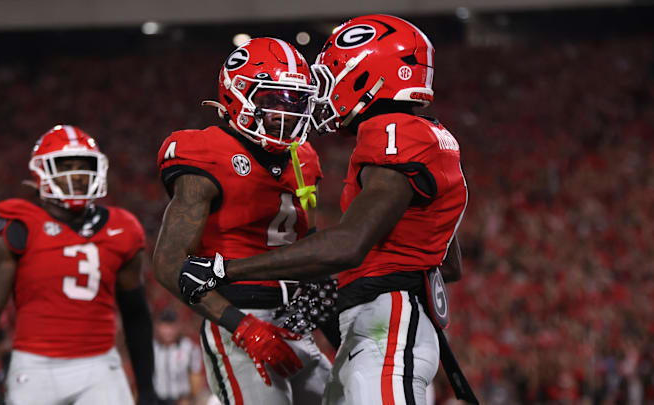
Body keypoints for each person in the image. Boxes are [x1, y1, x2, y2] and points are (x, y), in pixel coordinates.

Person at [177, 15, 472, 405]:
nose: (323, 92)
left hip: (386, 327)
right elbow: (446, 262)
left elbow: (349, 245)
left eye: (332, 75)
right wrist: (341, 287)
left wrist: (226, 269)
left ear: (366, 75)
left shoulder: (394, 132)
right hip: (384, 323)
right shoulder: (424, 134)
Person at [153, 37, 331, 405]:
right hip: (238, 315)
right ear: (237, 95)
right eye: (272, 100)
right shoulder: (204, 153)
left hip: (295, 318)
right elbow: (169, 264)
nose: (286, 113)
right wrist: (241, 325)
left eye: (295, 101)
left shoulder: (305, 158)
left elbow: (307, 245)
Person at [0, 125, 157, 405]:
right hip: (34, 367)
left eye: (84, 166)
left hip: (100, 366)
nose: (78, 176)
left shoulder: (123, 228)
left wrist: (146, 387)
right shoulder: (17, 224)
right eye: (65, 166)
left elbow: (136, 314)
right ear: (41, 172)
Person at [153, 310, 204, 405]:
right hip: (157, 400)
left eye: (171, 326)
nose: (168, 331)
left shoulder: (189, 348)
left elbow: (195, 377)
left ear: (177, 327)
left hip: (181, 400)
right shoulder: (152, 349)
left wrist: (191, 399)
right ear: (158, 327)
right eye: (164, 326)